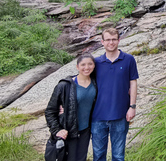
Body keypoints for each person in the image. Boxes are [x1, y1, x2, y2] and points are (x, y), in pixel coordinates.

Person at [91, 28, 139, 161]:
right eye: (108, 40)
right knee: (99, 155)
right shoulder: (96, 63)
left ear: (119, 40)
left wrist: (132, 106)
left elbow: (133, 83)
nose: (111, 42)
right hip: (97, 117)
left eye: (113, 39)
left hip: (120, 115)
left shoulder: (128, 59)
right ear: (102, 42)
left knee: (118, 156)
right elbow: (83, 81)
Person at [45, 54, 97, 161]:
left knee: (81, 158)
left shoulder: (95, 83)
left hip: (85, 132)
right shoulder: (65, 86)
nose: (86, 67)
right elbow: (50, 111)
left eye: (90, 64)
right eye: (83, 65)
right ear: (77, 67)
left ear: (94, 66)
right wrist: (56, 130)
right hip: (69, 132)